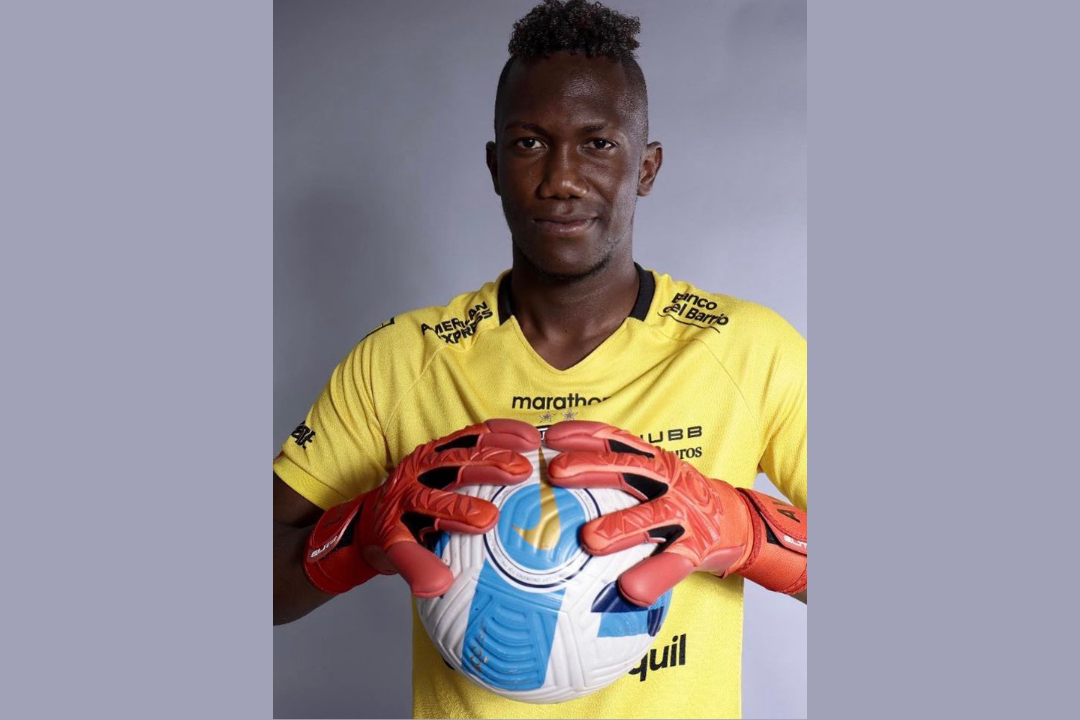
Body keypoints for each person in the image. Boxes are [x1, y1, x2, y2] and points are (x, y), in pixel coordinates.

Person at [273, 1, 806, 718]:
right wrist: (361, 532)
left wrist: (743, 529)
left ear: (646, 167)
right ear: (495, 166)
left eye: (598, 144)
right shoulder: (401, 360)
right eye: (529, 143)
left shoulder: (746, 349)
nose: (561, 179)